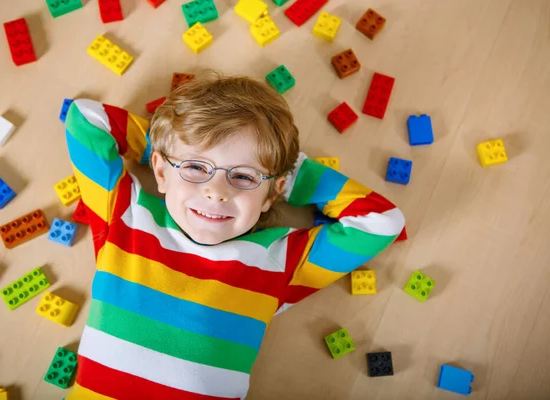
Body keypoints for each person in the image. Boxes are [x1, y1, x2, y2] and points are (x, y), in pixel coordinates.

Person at [64, 70, 405, 399]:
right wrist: (170, 149)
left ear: (272, 194)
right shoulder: (125, 216)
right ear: (160, 170)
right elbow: (86, 119)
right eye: (196, 167)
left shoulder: (278, 262)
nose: (216, 191)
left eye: (243, 177)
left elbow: (381, 220)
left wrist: (286, 173)